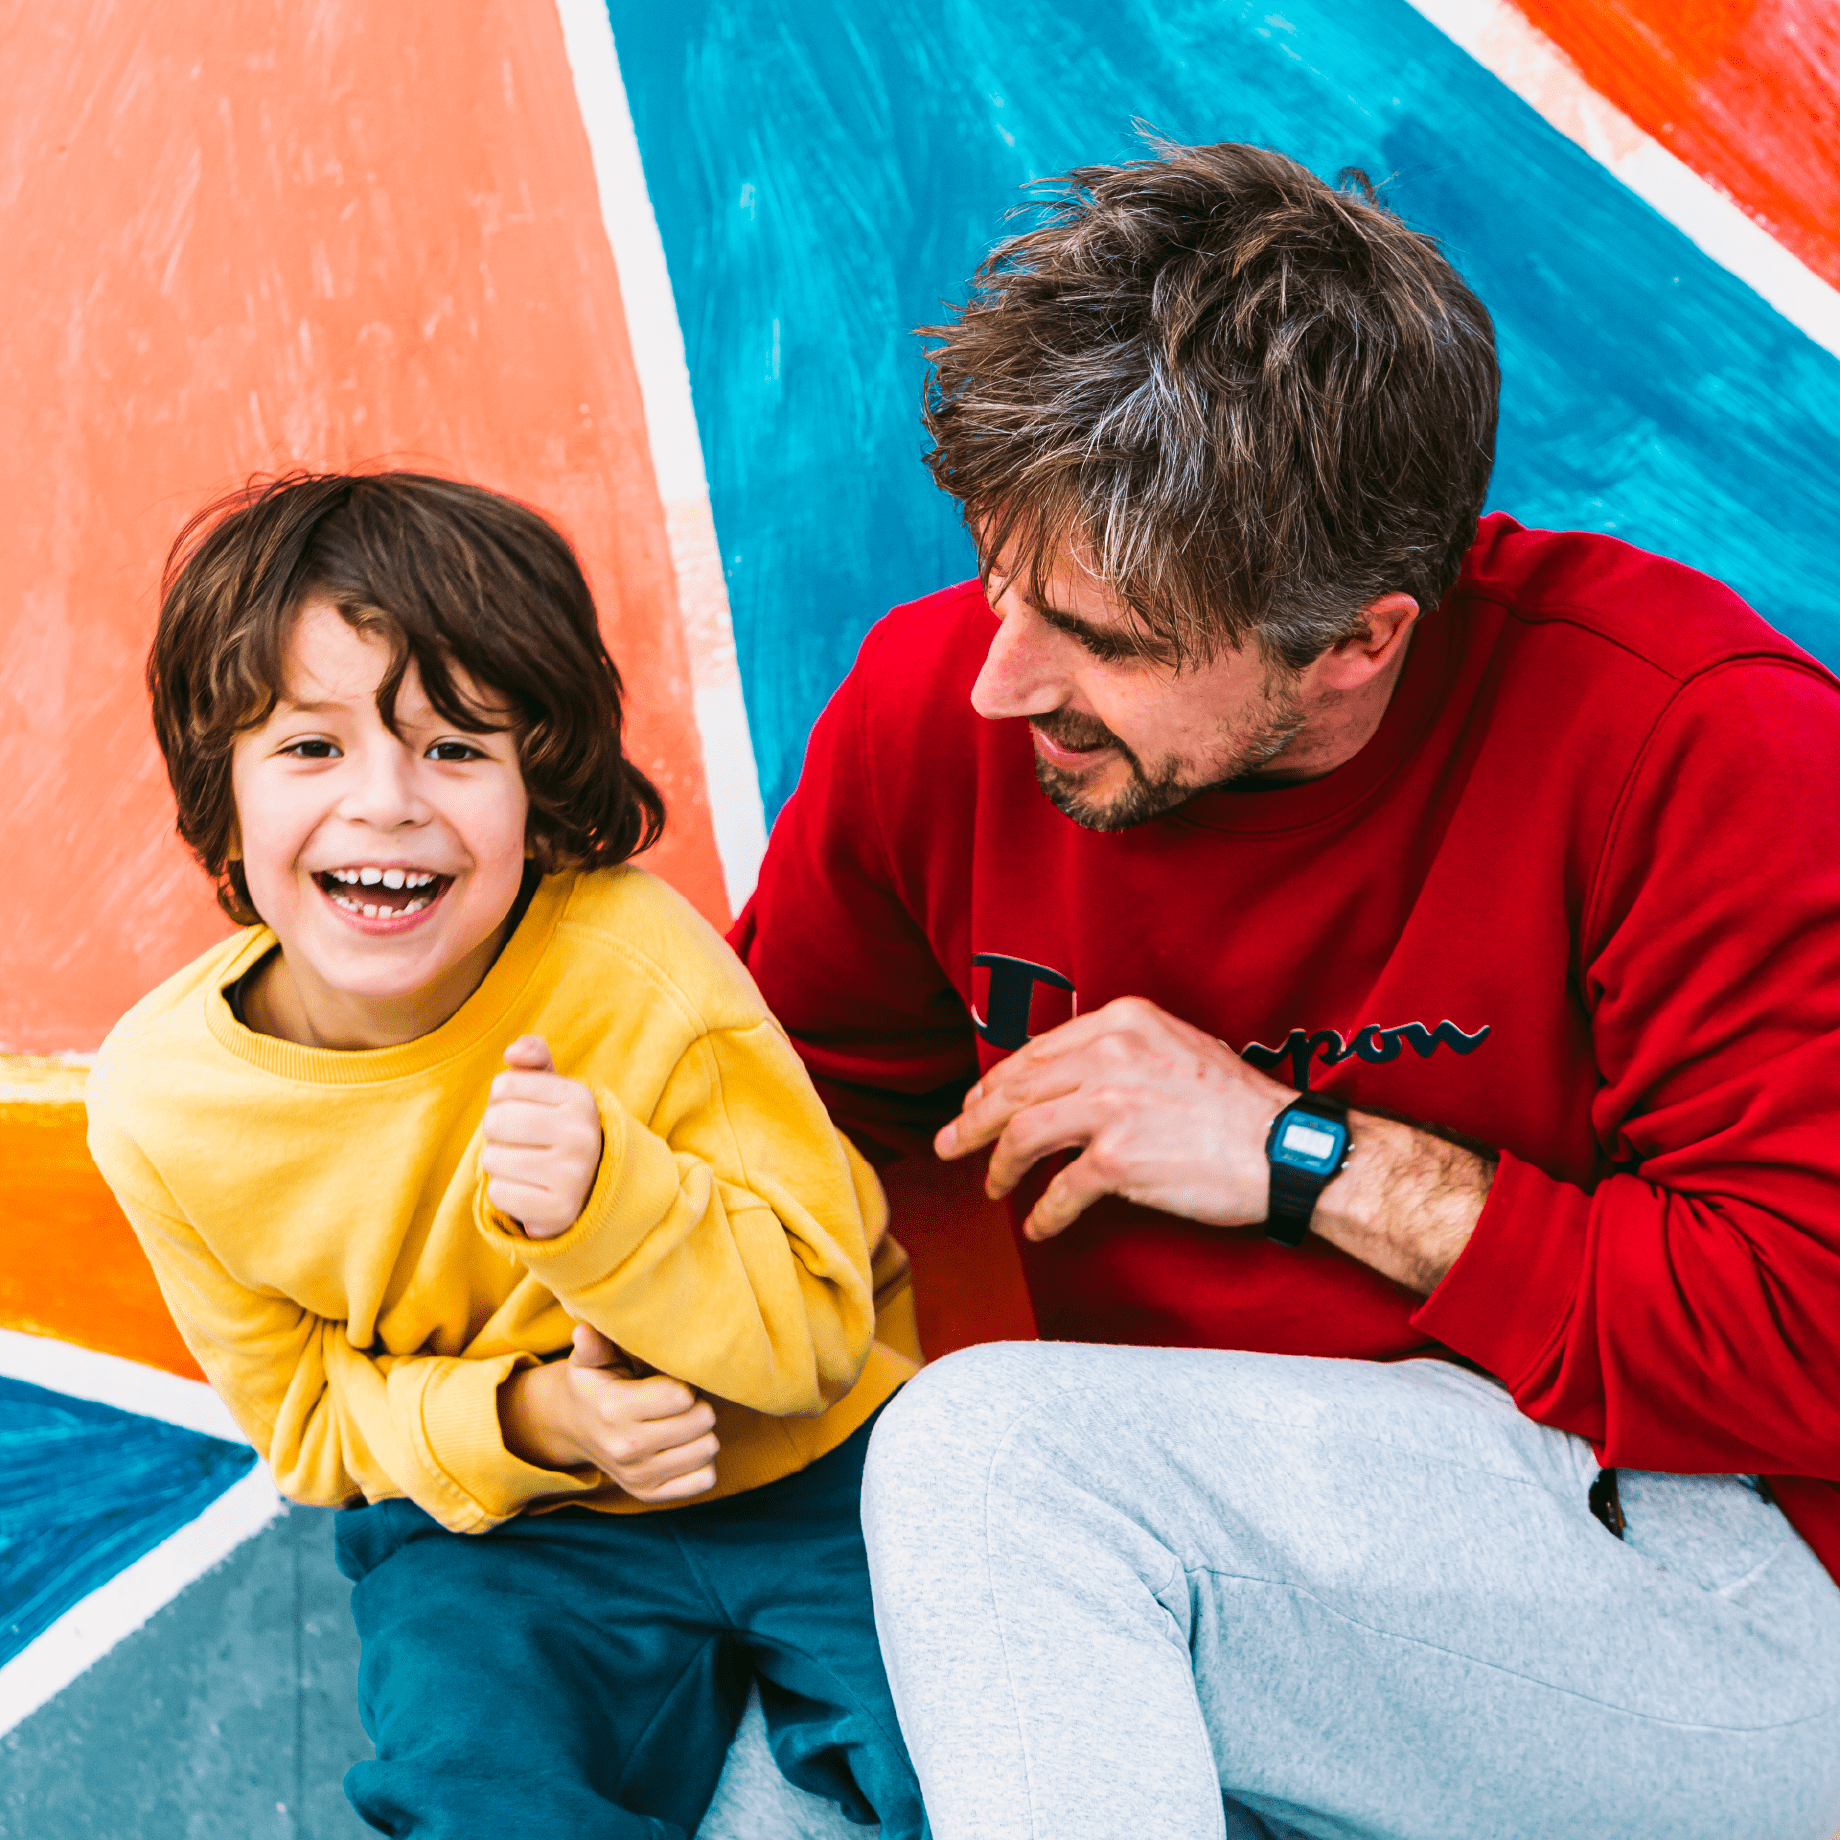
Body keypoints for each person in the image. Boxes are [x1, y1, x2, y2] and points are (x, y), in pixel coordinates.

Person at [732, 142, 1840, 1837]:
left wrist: (1302, 1156)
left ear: (1357, 643)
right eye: (1000, 581)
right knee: (784, 1787)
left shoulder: (1691, 740)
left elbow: (1806, 1335)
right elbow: (763, 1127)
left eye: (1098, 637)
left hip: (1706, 1607)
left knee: (992, 1458)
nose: (998, 682)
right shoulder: (933, 725)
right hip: (1210, 1582)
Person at [84, 473, 927, 1840]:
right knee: (475, 1790)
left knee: (971, 1753)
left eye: (457, 749)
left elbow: (820, 1328)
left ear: (541, 791)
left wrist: (613, 1208)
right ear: (218, 783)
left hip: (813, 1472)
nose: (387, 805)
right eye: (310, 748)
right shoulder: (165, 1104)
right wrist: (544, 1423)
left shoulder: (635, 968)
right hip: (505, 1540)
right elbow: (306, 1422)